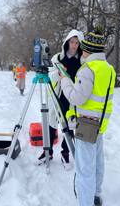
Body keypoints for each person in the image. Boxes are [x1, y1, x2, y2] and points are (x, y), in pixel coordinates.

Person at [60, 26, 116, 205]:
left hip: (86, 125)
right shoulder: (108, 69)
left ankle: (86, 202)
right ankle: (96, 195)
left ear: (87, 50)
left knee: (85, 169)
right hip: (100, 124)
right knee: (98, 162)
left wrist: (64, 81)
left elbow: (77, 97)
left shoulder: (87, 69)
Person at [38, 29, 84, 169]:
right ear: (67, 41)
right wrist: (58, 73)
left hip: (71, 98)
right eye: (72, 42)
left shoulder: (82, 61)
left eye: (77, 43)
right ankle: (48, 152)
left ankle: (65, 153)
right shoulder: (57, 58)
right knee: (51, 124)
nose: (74, 45)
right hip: (57, 95)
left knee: (69, 127)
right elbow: (50, 76)